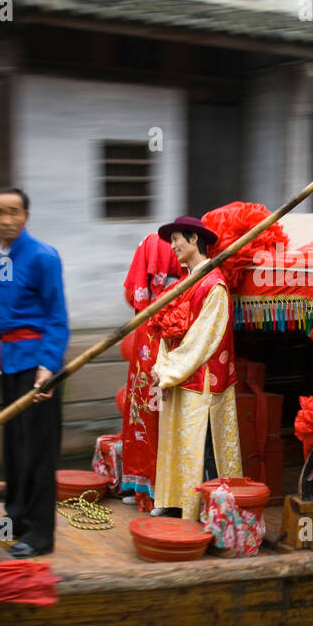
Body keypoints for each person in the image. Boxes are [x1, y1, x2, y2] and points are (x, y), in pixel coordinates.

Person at [0, 187, 70, 558]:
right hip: (9, 361)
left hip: (38, 364)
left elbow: (57, 318)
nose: (7, 220)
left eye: (14, 212)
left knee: (40, 451)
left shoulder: (43, 257)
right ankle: (15, 520)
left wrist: (48, 369)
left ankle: (41, 534)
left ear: (25, 215)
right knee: (14, 448)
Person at [148, 216, 243, 520]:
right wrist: (162, 366)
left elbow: (205, 338)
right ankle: (173, 501)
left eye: (177, 238)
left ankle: (200, 510)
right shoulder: (181, 285)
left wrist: (169, 370)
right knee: (174, 441)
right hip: (178, 374)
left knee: (198, 445)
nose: (173, 245)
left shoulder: (214, 285)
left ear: (194, 240)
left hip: (202, 378)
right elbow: (166, 329)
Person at [120, 233, 184, 511]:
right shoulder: (176, 288)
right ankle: (151, 489)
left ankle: (147, 488)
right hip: (154, 352)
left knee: (147, 416)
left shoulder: (159, 296)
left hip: (151, 350)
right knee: (151, 415)